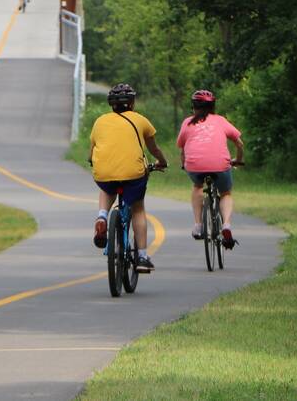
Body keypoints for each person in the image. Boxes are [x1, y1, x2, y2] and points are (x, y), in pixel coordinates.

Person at [89, 83, 168, 272]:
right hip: (133, 174)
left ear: (111, 104)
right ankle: (141, 257)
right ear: (132, 103)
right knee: (138, 208)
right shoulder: (141, 120)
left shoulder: (100, 121)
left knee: (107, 187)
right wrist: (162, 161)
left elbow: (91, 151)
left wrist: (92, 160)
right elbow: (153, 148)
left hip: (104, 173)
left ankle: (102, 216)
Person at [176, 89, 243, 249]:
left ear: (193, 106)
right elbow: (239, 143)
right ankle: (226, 224)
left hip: (195, 165)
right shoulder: (220, 120)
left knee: (197, 186)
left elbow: (183, 148)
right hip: (220, 164)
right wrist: (238, 160)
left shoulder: (188, 122)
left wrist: (185, 165)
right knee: (225, 193)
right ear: (213, 106)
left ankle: (198, 225)